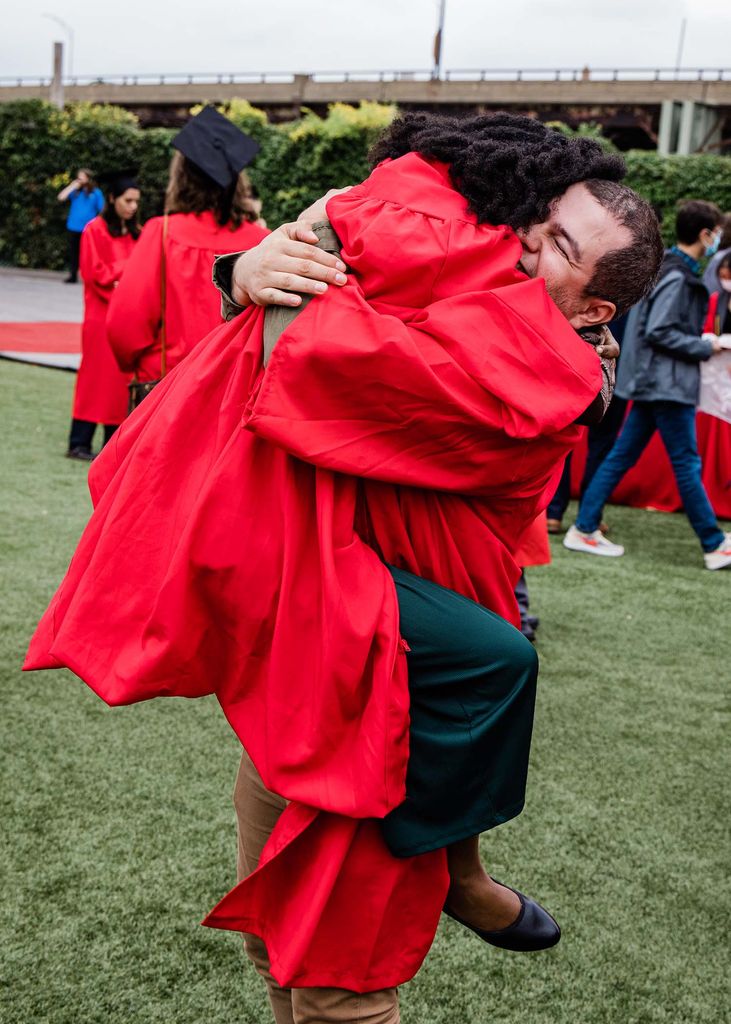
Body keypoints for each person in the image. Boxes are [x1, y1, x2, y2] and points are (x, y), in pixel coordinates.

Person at [26, 114, 663, 1023]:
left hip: (384, 670)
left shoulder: (550, 375)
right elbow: (360, 270)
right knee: (277, 952)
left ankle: (459, 871)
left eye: (557, 246)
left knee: (338, 985)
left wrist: (289, 255)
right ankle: (463, 871)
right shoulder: (474, 287)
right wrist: (245, 268)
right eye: (535, 219)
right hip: (309, 626)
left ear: (595, 309)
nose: (520, 243)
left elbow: (328, 358)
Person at [564, 200, 731, 570]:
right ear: (706, 235)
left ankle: (585, 526)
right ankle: (714, 541)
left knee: (623, 455)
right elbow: (660, 331)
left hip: (655, 382)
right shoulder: (678, 276)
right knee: (686, 462)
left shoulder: (669, 270)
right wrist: (708, 344)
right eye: (715, 233)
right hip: (667, 384)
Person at [106, 106, 269, 403]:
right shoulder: (264, 243)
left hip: (165, 386)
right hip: (235, 393)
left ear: (181, 175)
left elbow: (125, 325)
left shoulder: (162, 232)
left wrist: (139, 363)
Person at [67, 171, 140, 461]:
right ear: (112, 199)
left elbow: (142, 275)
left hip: (128, 316)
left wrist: (126, 281)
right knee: (94, 379)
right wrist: (127, 273)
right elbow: (95, 274)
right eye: (128, 200)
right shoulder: (94, 230)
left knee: (122, 382)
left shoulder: (140, 233)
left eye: (136, 201)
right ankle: (79, 441)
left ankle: (113, 444)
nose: (133, 206)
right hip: (100, 317)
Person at [57, 169, 104, 284]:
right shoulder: (75, 192)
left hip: (88, 229)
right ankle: (73, 275)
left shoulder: (96, 192)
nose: (80, 179)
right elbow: (61, 197)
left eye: (82, 177)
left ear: (88, 178)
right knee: (74, 253)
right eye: (78, 177)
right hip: (74, 226)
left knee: (88, 253)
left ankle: (90, 275)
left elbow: (102, 209)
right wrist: (72, 186)